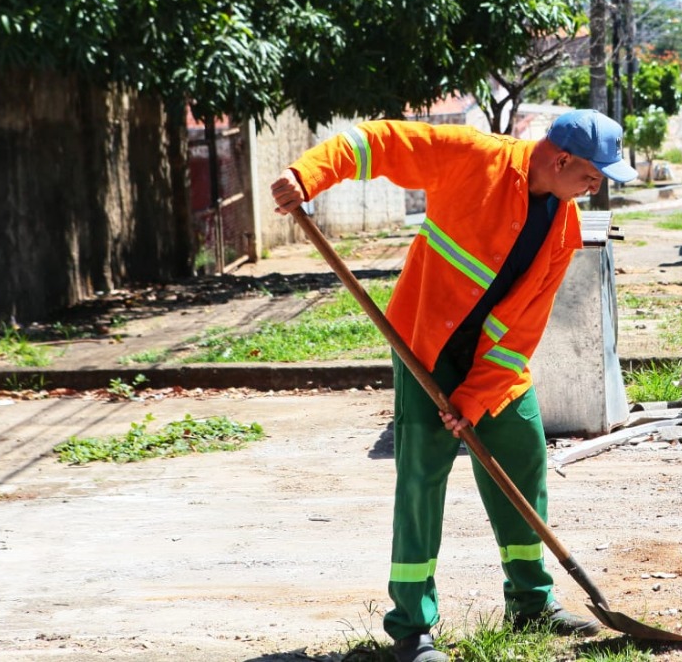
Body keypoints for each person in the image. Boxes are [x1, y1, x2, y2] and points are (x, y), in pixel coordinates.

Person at [270, 110, 637, 662]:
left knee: (523, 459)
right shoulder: (474, 157)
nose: (595, 187)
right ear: (561, 160)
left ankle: (531, 603)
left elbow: (524, 327)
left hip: (494, 364)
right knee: (422, 477)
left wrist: (475, 397)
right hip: (427, 348)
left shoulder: (564, 227)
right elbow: (379, 141)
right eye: (591, 175)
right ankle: (411, 628)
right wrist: (308, 176)